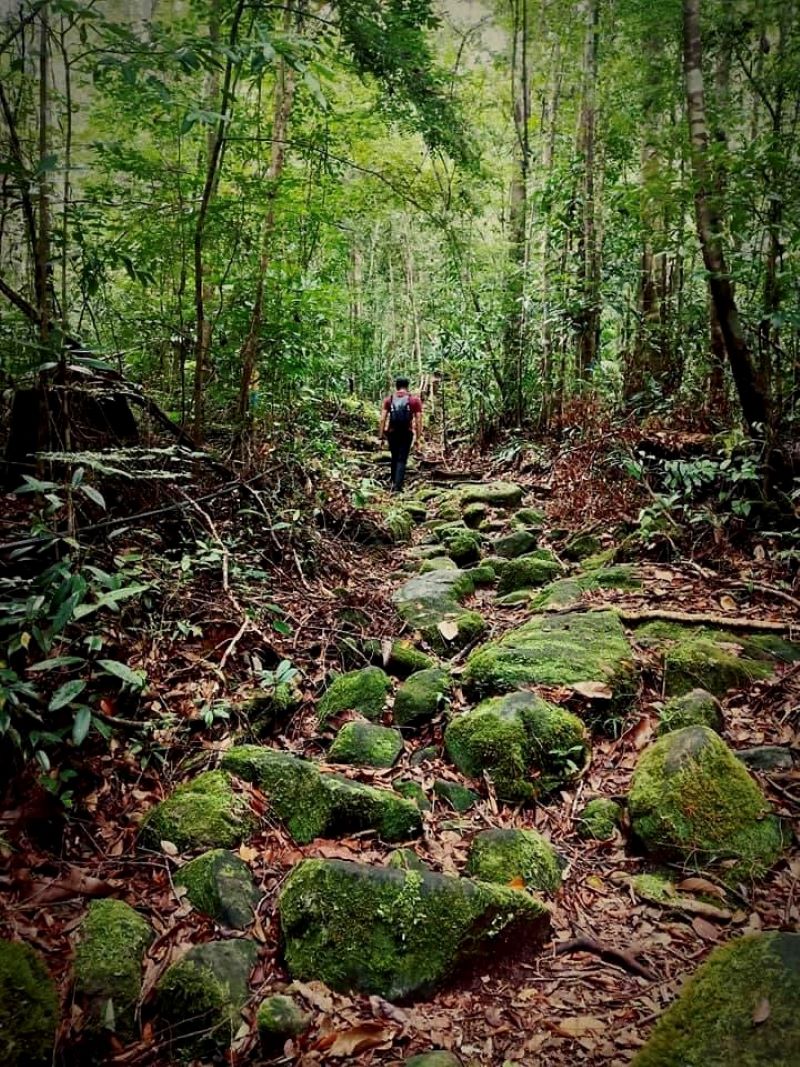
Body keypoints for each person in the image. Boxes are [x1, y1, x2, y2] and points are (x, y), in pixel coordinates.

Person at [380, 376, 422, 493]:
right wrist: (418, 437)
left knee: (394, 456)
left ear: (396, 386)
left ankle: (393, 481)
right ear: (407, 386)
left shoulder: (389, 399)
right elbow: (418, 420)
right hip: (406, 432)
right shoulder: (414, 400)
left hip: (392, 433)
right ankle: (398, 486)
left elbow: (382, 419)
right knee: (402, 459)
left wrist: (381, 435)